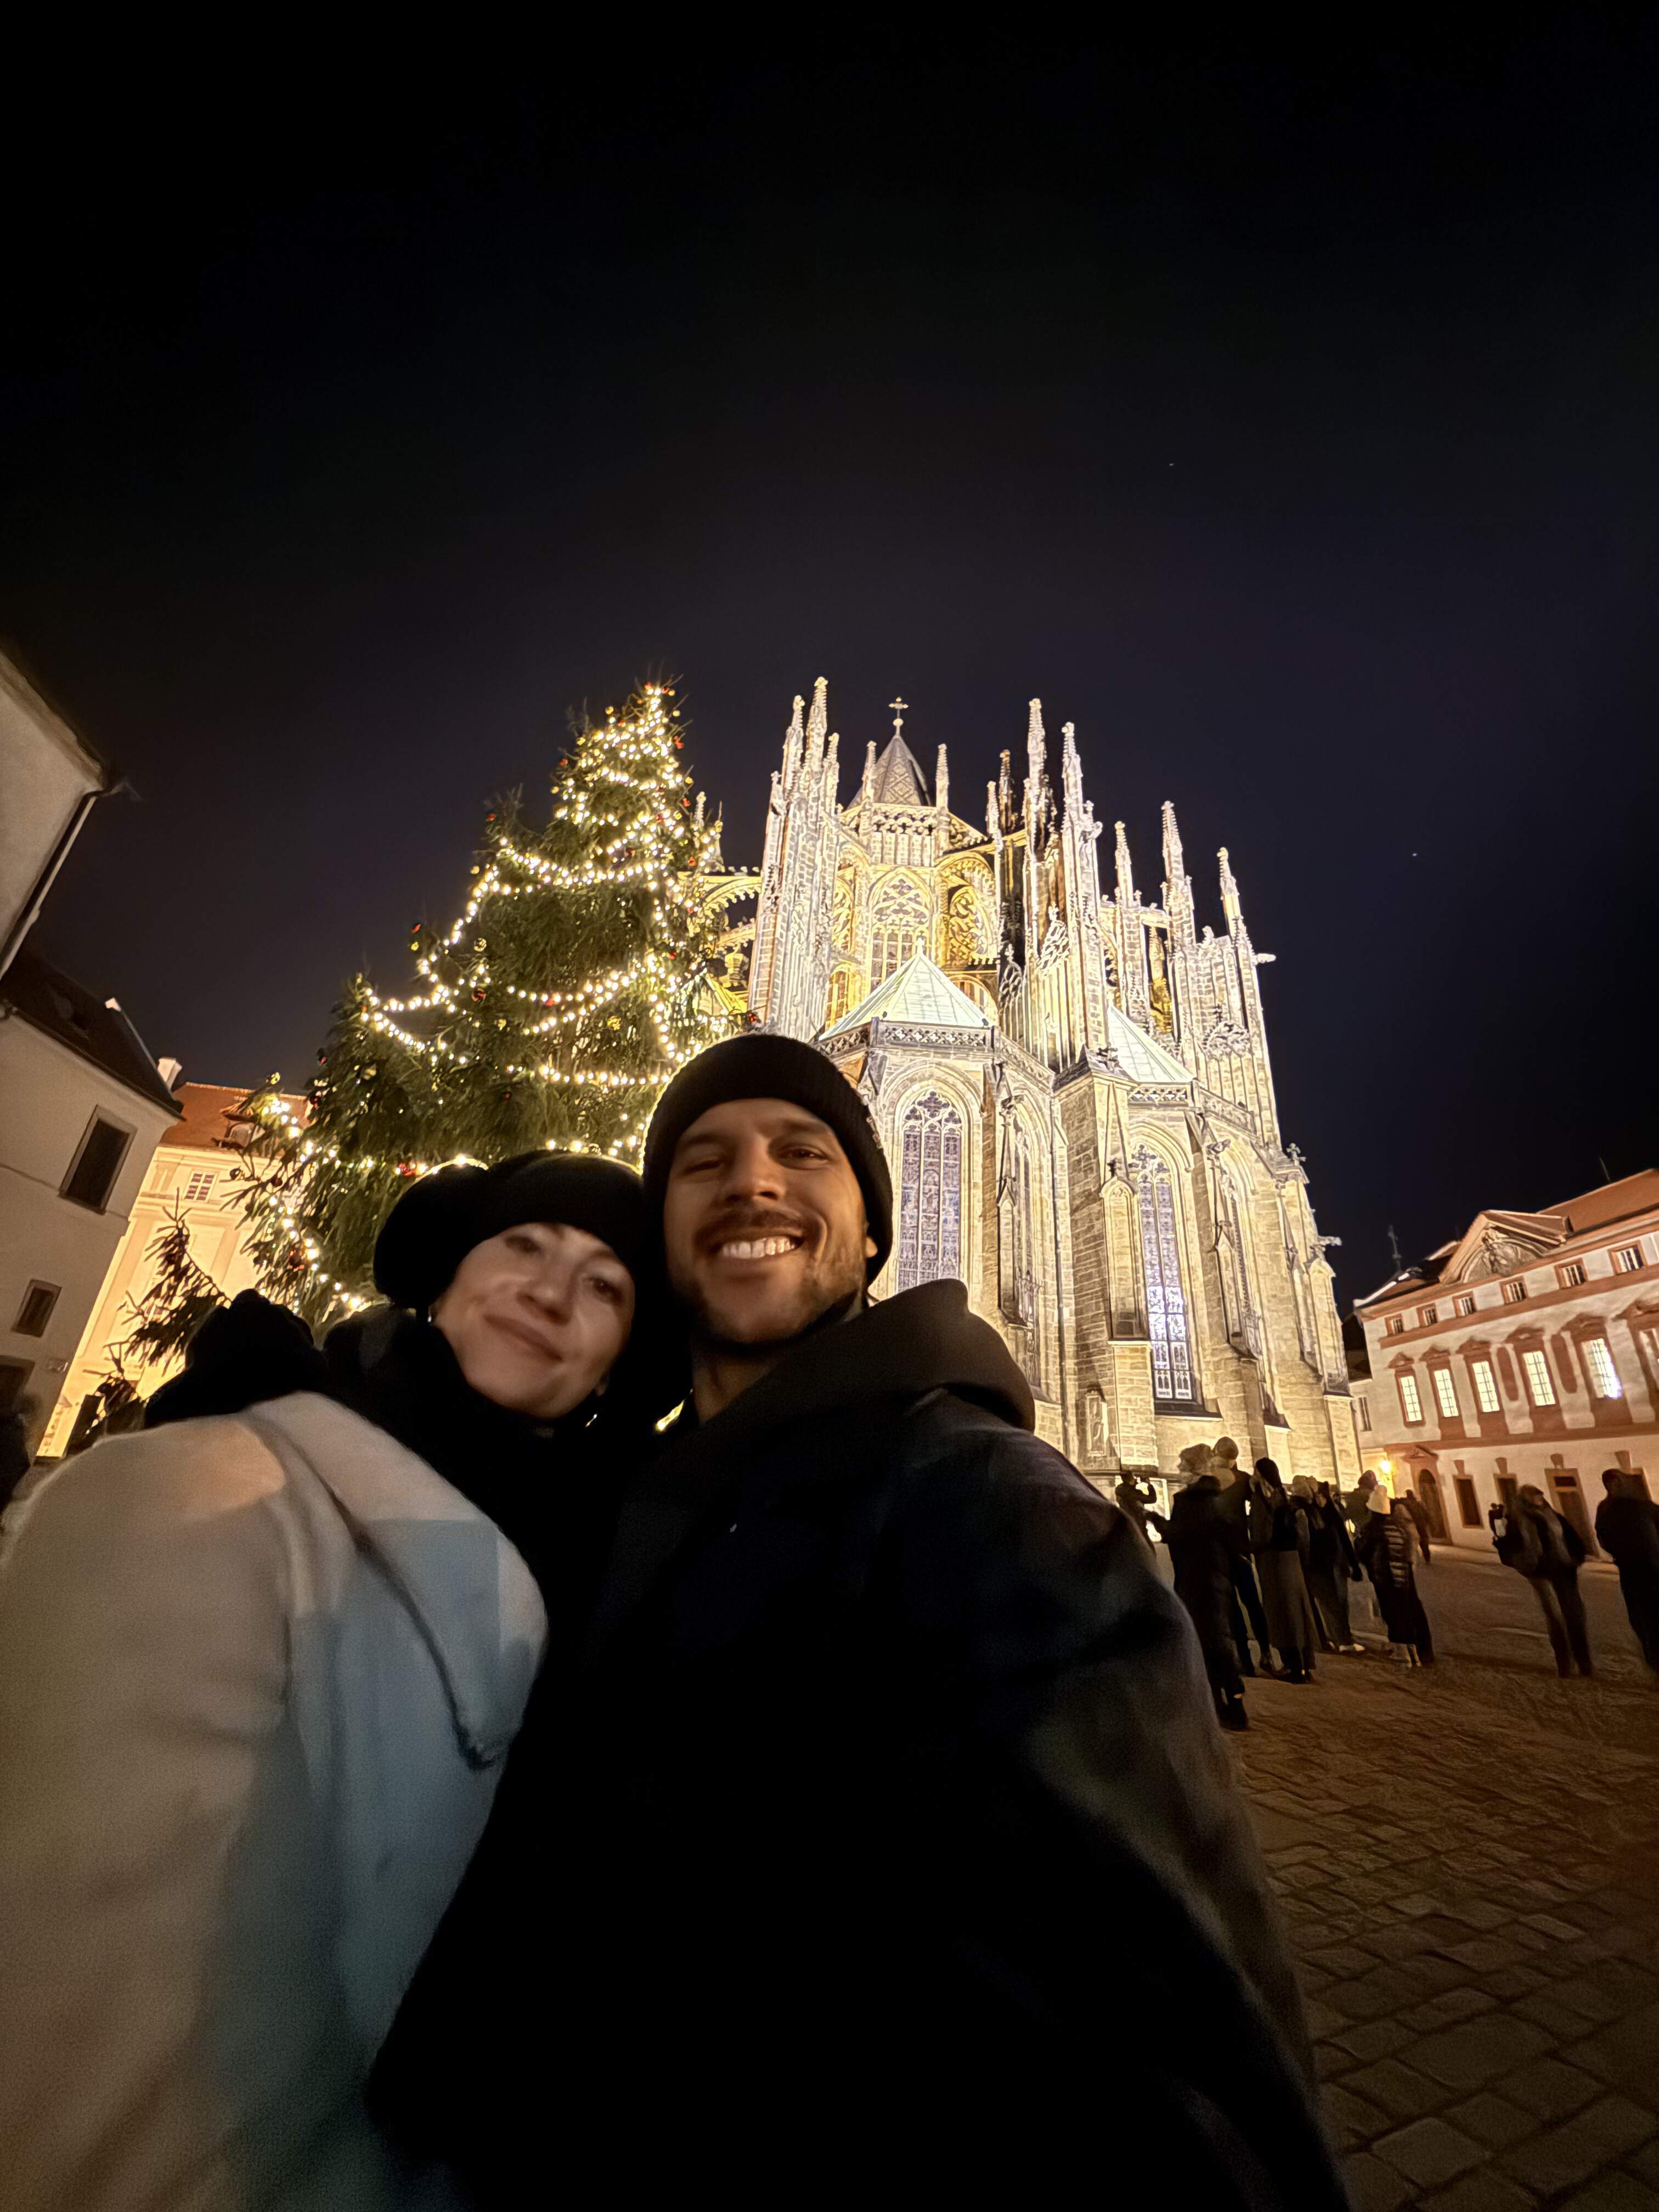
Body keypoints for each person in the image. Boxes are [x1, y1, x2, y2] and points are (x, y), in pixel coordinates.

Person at [498, 1034, 1338, 2204]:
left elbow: (1183, 2044)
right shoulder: (630, 1504)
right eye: (705, 1161)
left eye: (805, 1152)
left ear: (879, 1236)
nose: (754, 1183)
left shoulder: (1006, 1508)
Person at [0, 1152, 663, 2212]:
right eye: (525, 1246)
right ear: (440, 1278)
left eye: (606, 1285)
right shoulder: (201, 1490)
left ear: (619, 1362)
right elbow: (95, 2055)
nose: (553, 1291)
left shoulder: (581, 1569)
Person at [1167, 1456, 1249, 1730]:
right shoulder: (1218, 1499)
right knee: (1218, 1639)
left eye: (1183, 1465)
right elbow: (1230, 1541)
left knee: (1203, 1641)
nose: (1179, 1470)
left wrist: (1156, 1521)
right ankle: (1234, 1702)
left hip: (1194, 1578)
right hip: (1216, 1577)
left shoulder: (1186, 1502)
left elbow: (1179, 1537)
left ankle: (1217, 1705)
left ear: (1193, 1471)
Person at [1497, 1482, 1594, 1678]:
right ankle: (1565, 1662)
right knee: (1556, 1618)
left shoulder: (1554, 1517)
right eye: (1536, 1497)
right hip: (1540, 1573)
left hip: (1564, 1570)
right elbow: (1511, 1547)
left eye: (1540, 1496)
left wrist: (1576, 1556)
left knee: (1574, 1615)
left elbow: (1571, 1538)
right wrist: (1522, 1562)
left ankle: (1584, 1662)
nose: (1540, 1500)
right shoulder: (1518, 1522)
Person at [1254, 1459, 1322, 1681]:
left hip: (1274, 1561)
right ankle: (1305, 1666)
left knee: (1283, 1613)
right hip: (1293, 1560)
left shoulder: (1263, 1498)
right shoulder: (1287, 1497)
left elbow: (1261, 1535)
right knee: (1299, 1612)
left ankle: (1293, 1668)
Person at [1356, 1486, 1435, 1665]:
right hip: (1404, 1575)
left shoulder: (1373, 1529)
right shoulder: (1397, 1527)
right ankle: (1418, 1651)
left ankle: (1403, 1652)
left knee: (1393, 1612)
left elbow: (1362, 1551)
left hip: (1385, 1576)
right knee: (1408, 1610)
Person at [1215, 1433, 1274, 1673]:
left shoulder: (1230, 1480)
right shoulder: (1239, 1480)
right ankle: (1258, 1655)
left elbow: (1259, 1508)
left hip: (1231, 1552)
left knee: (1239, 1605)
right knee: (1247, 1604)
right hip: (1235, 1551)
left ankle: (1251, 1658)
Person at [1594, 1470, 1659, 1673]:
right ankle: (1654, 1660)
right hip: (1636, 1569)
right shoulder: (1610, 1509)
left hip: (1645, 1568)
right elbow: (1603, 1538)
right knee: (1643, 1617)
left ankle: (1654, 1660)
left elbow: (1603, 1538)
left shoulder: (1640, 1507)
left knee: (1646, 1616)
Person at [1301, 1477, 1365, 1654]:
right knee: (1331, 1605)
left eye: (1323, 1496)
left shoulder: (1330, 1514)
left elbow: (1344, 1540)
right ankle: (1341, 1640)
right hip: (1321, 1568)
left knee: (1340, 1603)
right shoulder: (1311, 1514)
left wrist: (1354, 1565)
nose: (1320, 1499)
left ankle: (1343, 1637)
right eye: (1318, 1496)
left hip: (1336, 1566)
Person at [1400, 1481, 1434, 1563]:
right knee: (1424, 1541)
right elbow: (1426, 1513)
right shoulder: (1418, 1503)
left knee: (1413, 1541)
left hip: (1413, 1525)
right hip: (1421, 1524)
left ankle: (1416, 1557)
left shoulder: (1406, 1504)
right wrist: (1429, 1522)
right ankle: (1427, 1556)